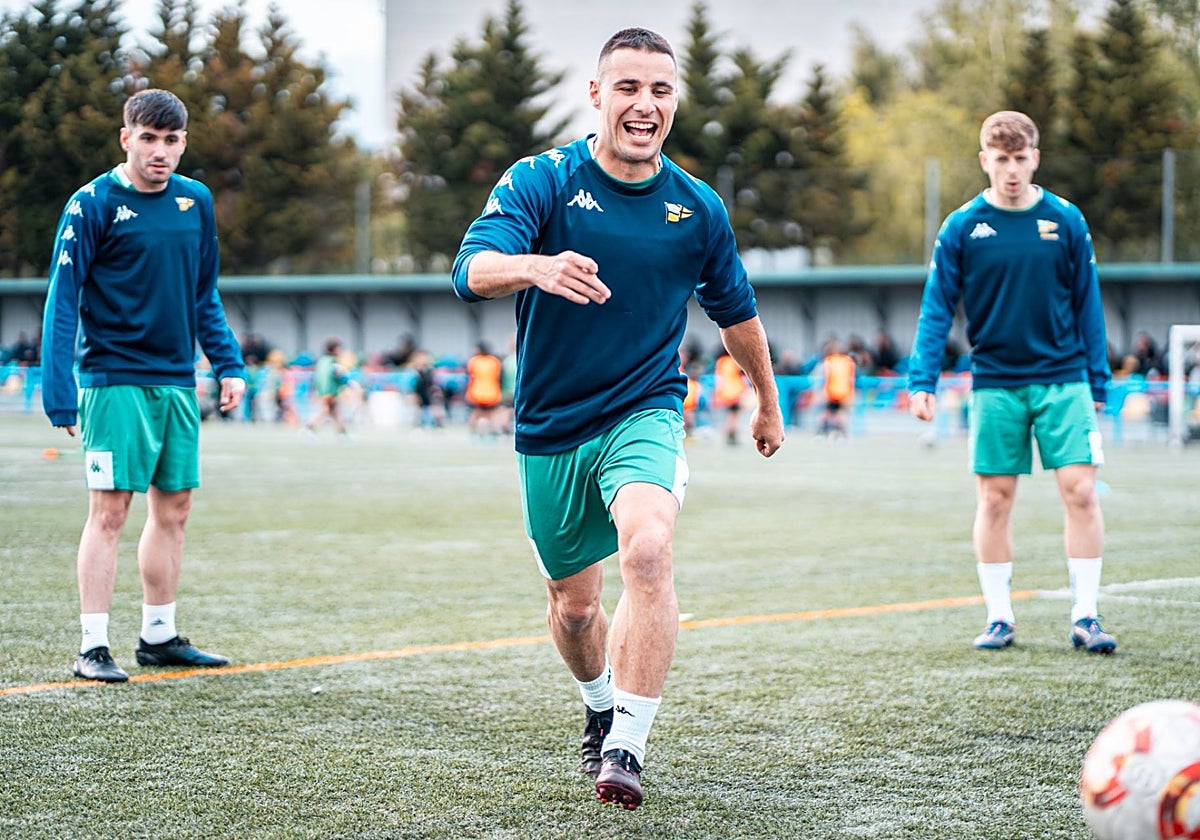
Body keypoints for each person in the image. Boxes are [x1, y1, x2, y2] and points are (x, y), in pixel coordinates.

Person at [451, 27, 784, 810]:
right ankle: (599, 703)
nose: (645, 105)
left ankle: (627, 745)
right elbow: (470, 269)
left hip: (646, 409)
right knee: (573, 607)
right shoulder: (541, 180)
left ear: (675, 102)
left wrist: (767, 400)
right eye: (628, 88)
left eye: (660, 90)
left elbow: (736, 314)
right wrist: (537, 265)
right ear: (596, 95)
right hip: (549, 430)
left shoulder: (698, 208)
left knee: (648, 551)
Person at [40, 89, 246, 683]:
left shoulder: (195, 201)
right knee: (110, 512)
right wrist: (60, 390)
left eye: (172, 140)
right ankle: (91, 646)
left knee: (175, 508)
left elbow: (202, 292)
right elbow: (62, 301)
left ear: (184, 142)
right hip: (113, 380)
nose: (161, 151)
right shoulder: (92, 203)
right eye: (149, 138)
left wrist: (227, 363)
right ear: (126, 137)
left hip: (177, 381)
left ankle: (158, 635)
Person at [907, 110, 1114, 655]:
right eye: (1001, 160)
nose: (1012, 170)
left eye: (1021, 159)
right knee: (995, 501)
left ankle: (1086, 616)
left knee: (1082, 491)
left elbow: (1087, 302)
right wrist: (921, 378)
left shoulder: (1066, 220)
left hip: (1064, 379)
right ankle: (1000, 617)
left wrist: (1099, 380)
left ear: (1035, 158)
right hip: (995, 382)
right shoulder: (961, 227)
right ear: (985, 161)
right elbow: (937, 309)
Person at [303, 337, 351, 437]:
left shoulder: (322, 361)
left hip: (323, 391)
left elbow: (317, 377)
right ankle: (308, 428)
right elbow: (331, 377)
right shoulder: (331, 363)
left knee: (334, 412)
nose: (341, 350)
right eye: (339, 348)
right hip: (329, 392)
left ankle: (343, 434)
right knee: (326, 411)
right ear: (334, 349)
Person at [817, 337, 856, 438]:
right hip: (844, 392)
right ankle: (841, 434)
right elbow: (851, 379)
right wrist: (851, 393)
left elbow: (825, 377)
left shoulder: (829, 361)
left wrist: (822, 392)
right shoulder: (848, 361)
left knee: (827, 412)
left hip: (831, 391)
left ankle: (821, 432)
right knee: (840, 413)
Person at [465, 340, 503, 438]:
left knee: (476, 414)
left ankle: (473, 433)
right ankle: (494, 432)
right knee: (492, 414)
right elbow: (499, 377)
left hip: (476, 393)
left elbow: (470, 376)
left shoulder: (474, 361)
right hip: (492, 393)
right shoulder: (495, 361)